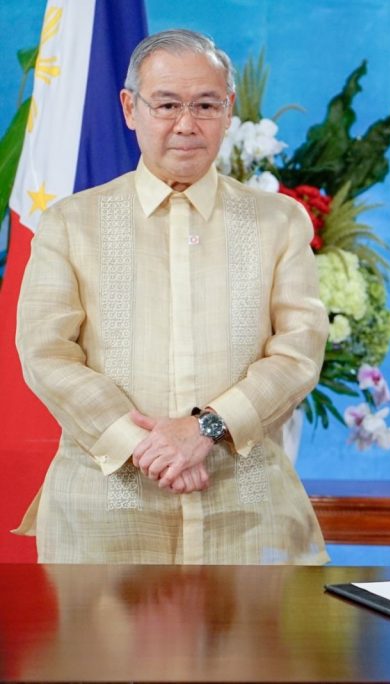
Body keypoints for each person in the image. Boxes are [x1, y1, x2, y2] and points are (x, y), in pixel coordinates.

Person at [14, 29, 329, 564]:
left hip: (248, 514)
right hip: (103, 515)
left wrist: (207, 428)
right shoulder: (72, 223)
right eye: (166, 104)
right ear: (129, 108)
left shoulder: (279, 222)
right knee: (96, 651)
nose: (187, 124)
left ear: (228, 110)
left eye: (205, 105)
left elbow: (299, 353)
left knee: (263, 649)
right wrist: (146, 445)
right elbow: (46, 353)